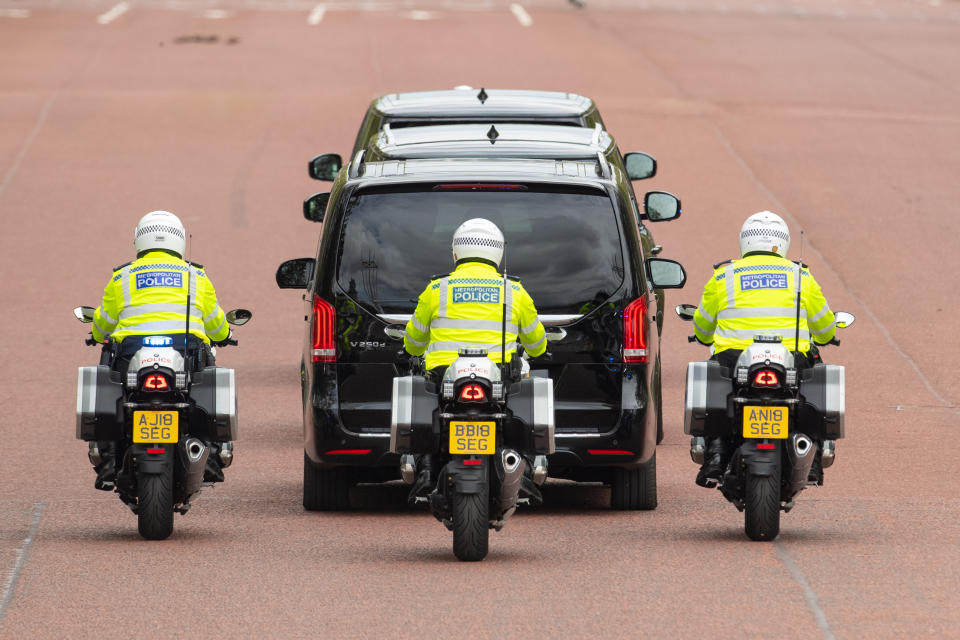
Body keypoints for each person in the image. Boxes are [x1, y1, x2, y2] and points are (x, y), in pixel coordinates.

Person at [402, 218, 547, 499]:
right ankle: (526, 466)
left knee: (427, 413)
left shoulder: (436, 290)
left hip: (444, 377)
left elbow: (414, 342)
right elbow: (538, 345)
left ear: (456, 252)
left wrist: (416, 347)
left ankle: (423, 467)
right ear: (498, 253)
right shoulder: (514, 291)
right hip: (499, 377)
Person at [89, 210, 232, 490]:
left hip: (131, 351)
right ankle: (213, 454)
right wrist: (226, 334)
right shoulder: (196, 275)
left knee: (113, 387)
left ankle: (107, 458)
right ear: (178, 241)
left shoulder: (122, 277)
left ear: (139, 240)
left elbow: (102, 323)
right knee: (207, 386)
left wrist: (95, 334)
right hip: (187, 349)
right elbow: (216, 322)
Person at [692, 211, 836, 486]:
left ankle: (716, 452)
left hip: (734, 360)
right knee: (814, 384)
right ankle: (814, 458)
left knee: (716, 387)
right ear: (783, 243)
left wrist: (705, 335)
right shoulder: (800, 276)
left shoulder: (724, 276)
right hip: (790, 360)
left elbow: (702, 328)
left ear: (744, 241)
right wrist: (827, 335)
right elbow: (825, 328)